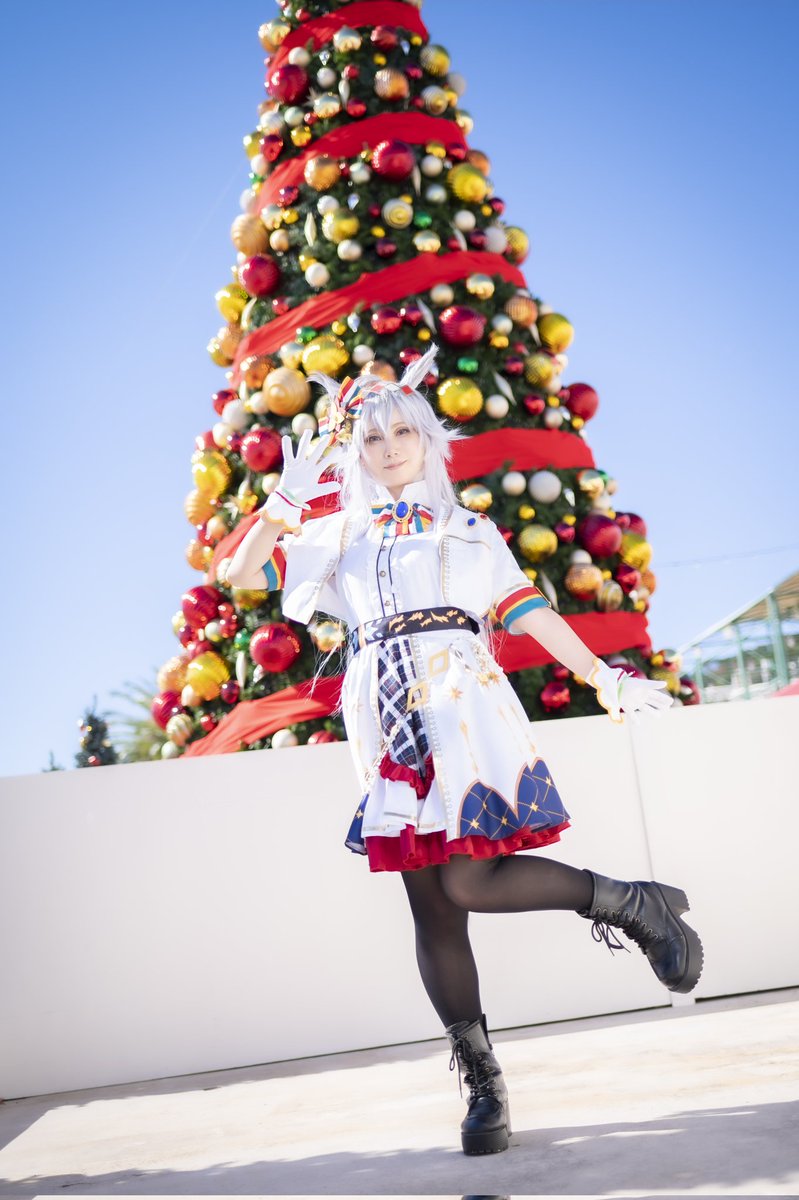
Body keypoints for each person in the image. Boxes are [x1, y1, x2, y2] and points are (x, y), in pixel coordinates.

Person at [226, 343, 703, 1157]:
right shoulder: (334, 534)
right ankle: (485, 1086)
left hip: (461, 705)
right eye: (371, 438)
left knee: (468, 879)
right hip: (382, 716)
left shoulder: (467, 529)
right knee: (433, 907)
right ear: (354, 450)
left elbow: (526, 611)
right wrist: (280, 504)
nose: (388, 449)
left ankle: (627, 902)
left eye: (402, 433)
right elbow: (237, 572)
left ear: (427, 440)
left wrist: (603, 676)